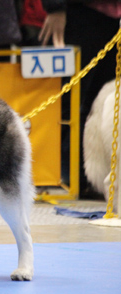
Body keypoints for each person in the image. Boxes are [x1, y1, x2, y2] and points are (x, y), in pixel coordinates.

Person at [39, 0, 120, 198]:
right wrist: (55, 7)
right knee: (64, 101)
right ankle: (52, 176)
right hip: (76, 14)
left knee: (102, 103)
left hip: (113, 21)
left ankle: (88, 180)